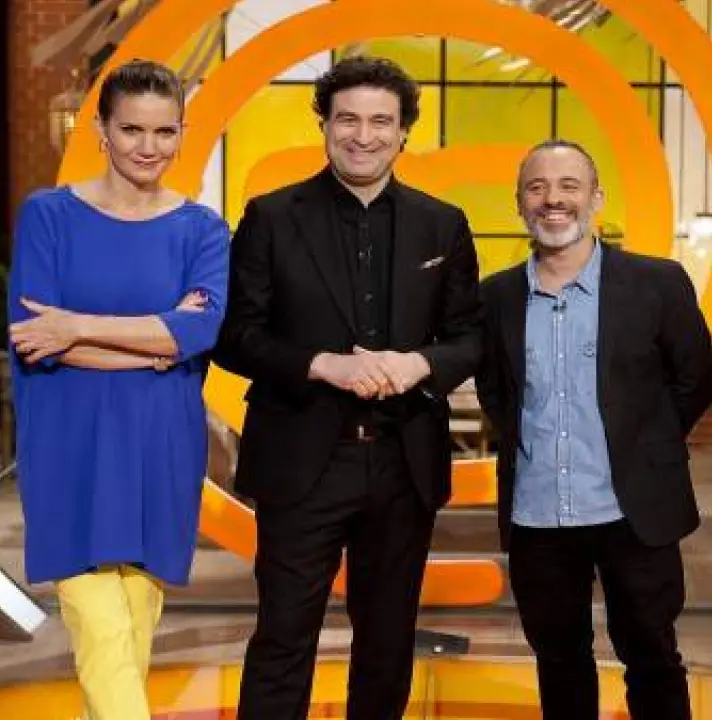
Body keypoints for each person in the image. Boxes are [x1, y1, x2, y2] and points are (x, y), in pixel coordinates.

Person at [210, 56, 482, 720]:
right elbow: (235, 336)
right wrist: (320, 364)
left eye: (381, 121)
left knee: (388, 642)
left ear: (404, 131)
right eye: (348, 119)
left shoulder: (442, 224)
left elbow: (471, 336)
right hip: (303, 458)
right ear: (325, 125)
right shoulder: (271, 217)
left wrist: (420, 365)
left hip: (403, 460)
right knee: (283, 636)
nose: (364, 135)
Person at [7, 59, 229, 720]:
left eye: (164, 131)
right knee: (102, 630)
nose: (148, 146)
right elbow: (33, 337)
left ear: (182, 134)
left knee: (131, 628)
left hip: (161, 445)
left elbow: (202, 329)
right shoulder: (48, 215)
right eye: (132, 129)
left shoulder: (202, 229)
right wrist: (158, 341)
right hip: (68, 444)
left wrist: (77, 327)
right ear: (101, 130)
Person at [475, 139, 712, 720]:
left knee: (653, 658)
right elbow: (497, 395)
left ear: (596, 198)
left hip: (633, 511)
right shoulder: (495, 297)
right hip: (538, 516)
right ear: (519, 204)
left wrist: (644, 448)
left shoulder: (657, 283)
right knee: (559, 662)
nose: (553, 199)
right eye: (537, 188)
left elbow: (694, 381)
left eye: (569, 186)